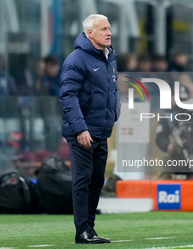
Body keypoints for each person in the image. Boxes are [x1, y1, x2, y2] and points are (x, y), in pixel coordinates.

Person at [59, 14, 120, 244]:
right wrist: (80, 129)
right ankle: (82, 231)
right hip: (82, 133)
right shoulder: (76, 59)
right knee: (83, 180)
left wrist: (115, 115)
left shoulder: (109, 57)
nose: (109, 32)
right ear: (89, 33)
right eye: (103, 29)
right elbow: (68, 96)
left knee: (96, 181)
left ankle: (90, 229)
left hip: (101, 130)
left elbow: (112, 91)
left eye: (109, 28)